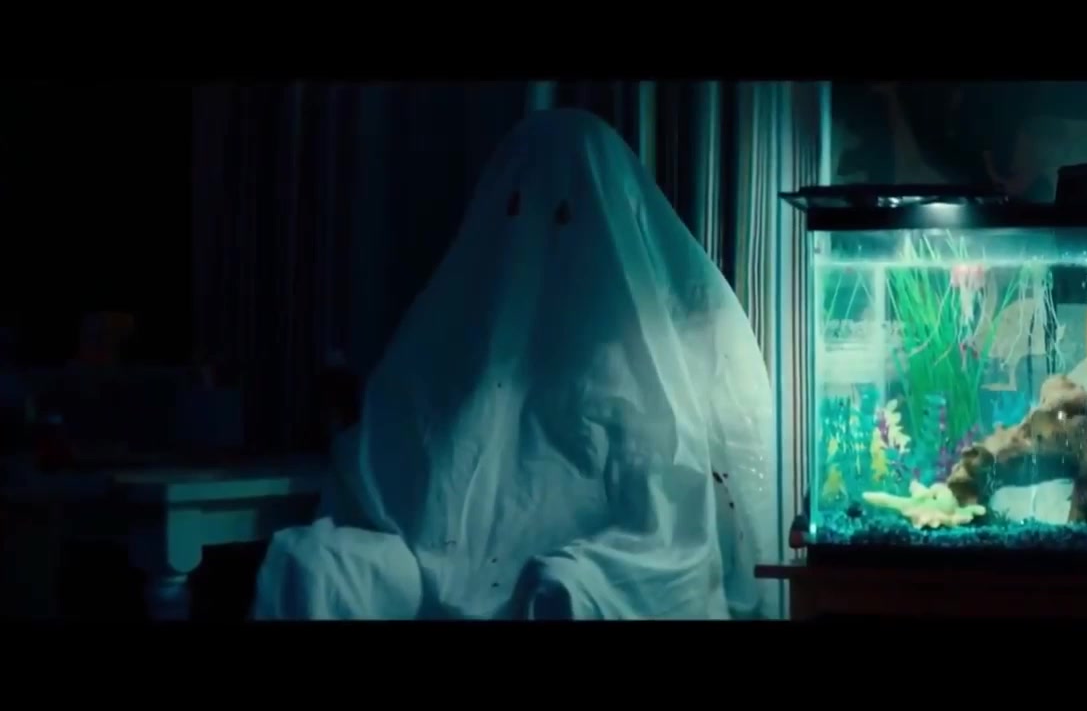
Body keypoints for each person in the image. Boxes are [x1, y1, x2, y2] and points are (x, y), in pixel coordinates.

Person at [252, 108, 779, 620]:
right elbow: (397, 468)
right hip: (443, 571)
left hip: (582, 578)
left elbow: (677, 534)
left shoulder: (655, 364)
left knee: (562, 589)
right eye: (517, 209)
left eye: (566, 215)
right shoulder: (457, 341)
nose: (540, 241)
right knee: (312, 566)